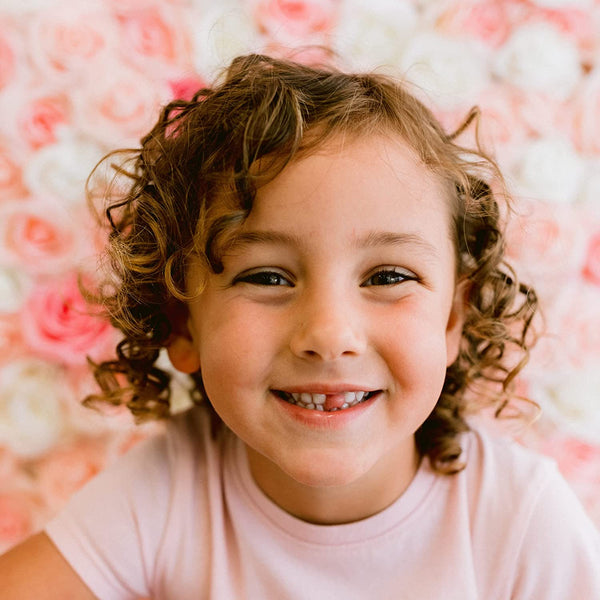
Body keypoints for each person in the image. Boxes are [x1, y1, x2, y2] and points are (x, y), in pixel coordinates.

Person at [1, 53, 598, 600]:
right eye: (266, 277)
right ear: (183, 324)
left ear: (452, 320)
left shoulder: (519, 519)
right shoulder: (170, 490)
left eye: (388, 276)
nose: (329, 333)